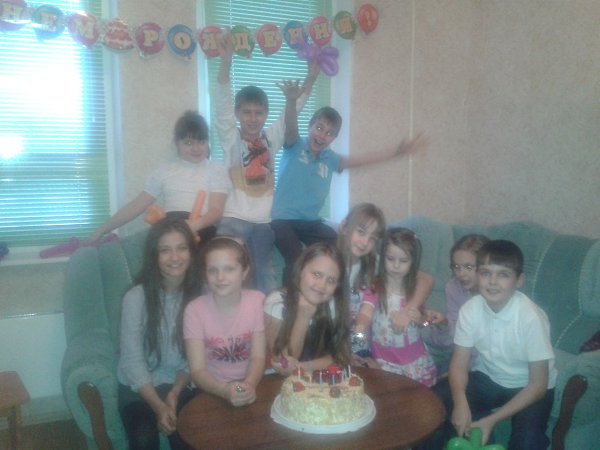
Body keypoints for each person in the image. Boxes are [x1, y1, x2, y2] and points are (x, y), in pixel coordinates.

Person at [270, 93, 428, 284]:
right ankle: (290, 295)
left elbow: (363, 161)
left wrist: (397, 153)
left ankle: (337, 291)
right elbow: (290, 126)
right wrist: (291, 101)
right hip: (282, 220)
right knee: (296, 257)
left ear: (334, 137)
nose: (322, 135)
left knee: (338, 246)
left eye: (329, 133)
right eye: (319, 128)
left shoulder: (330, 159)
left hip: (310, 223)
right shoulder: (295, 145)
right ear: (310, 126)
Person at [419, 240, 556, 449]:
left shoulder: (531, 318)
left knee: (528, 441)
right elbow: (459, 364)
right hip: (489, 377)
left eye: (503, 274)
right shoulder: (470, 310)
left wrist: (491, 420)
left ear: (519, 280)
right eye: (485, 273)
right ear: (478, 275)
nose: (492, 281)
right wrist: (460, 403)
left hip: (527, 386)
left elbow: (538, 385)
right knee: (434, 402)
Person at [213, 33, 319, 294]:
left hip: (263, 221)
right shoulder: (231, 138)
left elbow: (295, 108)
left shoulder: (271, 138)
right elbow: (222, 105)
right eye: (246, 112)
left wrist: (311, 78)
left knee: (264, 274)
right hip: (233, 218)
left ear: (265, 115)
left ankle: (267, 315)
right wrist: (225, 63)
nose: (252, 118)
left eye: (258, 113)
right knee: (223, 271)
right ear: (238, 114)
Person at [117, 218, 200, 450]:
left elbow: (195, 358)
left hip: (180, 384)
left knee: (188, 439)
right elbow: (132, 361)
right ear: (154, 256)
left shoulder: (200, 297)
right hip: (138, 389)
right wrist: (159, 406)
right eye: (165, 250)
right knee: (144, 440)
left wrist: (174, 393)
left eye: (181, 248)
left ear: (191, 252)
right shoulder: (135, 298)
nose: (175, 257)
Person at [87, 111, 229, 245]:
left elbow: (216, 211)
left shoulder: (216, 169)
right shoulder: (164, 171)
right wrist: (101, 231)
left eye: (201, 142)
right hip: (170, 227)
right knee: (129, 244)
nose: (196, 148)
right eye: (188, 143)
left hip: (202, 229)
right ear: (177, 144)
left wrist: (190, 227)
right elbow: (137, 205)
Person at [337, 203, 434, 365]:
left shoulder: (380, 265)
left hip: (360, 347)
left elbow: (426, 280)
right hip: (332, 343)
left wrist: (407, 312)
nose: (365, 242)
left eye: (373, 238)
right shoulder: (327, 265)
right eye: (361, 232)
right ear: (344, 227)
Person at [184, 236, 266, 407]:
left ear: (244, 272)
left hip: (251, 382)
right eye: (212, 270)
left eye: (229, 269)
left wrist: (248, 385)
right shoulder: (194, 310)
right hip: (209, 389)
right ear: (205, 274)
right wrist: (224, 390)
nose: (220, 277)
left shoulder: (258, 301)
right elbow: (197, 370)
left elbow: (258, 356)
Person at [354, 227, 438, 386]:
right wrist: (360, 327)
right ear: (383, 258)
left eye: (403, 260)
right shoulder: (376, 287)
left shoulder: (414, 291)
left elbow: (424, 323)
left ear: (413, 262)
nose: (396, 265)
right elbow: (365, 312)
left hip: (414, 360)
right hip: (384, 361)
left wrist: (421, 319)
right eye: (390, 259)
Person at [264, 242, 351, 375]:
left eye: (331, 280)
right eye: (317, 274)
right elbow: (284, 362)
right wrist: (303, 316)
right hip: (277, 380)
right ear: (301, 270)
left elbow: (341, 355)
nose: (322, 286)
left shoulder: (332, 305)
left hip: (319, 377)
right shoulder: (276, 302)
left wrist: (302, 367)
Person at [425, 234, 489, 373]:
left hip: (488, 365)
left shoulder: (494, 294)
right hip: (461, 358)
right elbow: (452, 342)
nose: (461, 274)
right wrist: (444, 325)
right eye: (456, 267)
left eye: (468, 267)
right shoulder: (453, 287)